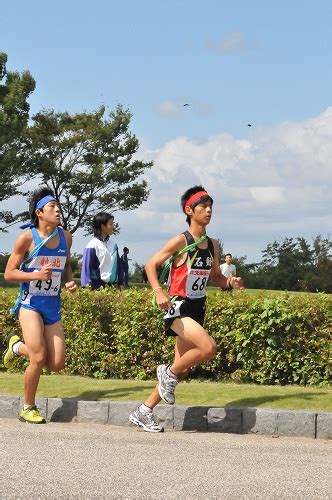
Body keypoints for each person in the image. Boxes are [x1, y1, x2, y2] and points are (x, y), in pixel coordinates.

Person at [129, 185, 242, 432]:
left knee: (183, 370)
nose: (209, 210)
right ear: (189, 210)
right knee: (208, 348)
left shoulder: (212, 244)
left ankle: (143, 411)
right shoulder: (181, 240)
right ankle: (165, 372)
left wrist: (230, 283)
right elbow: (151, 265)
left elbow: (215, 277)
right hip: (178, 306)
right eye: (203, 206)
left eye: (211, 206)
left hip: (198, 306)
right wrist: (159, 291)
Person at [2, 187, 77, 424]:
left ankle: (15, 347)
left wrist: (70, 281)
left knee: (56, 364)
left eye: (59, 206)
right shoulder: (26, 238)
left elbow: (66, 265)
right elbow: (9, 274)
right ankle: (28, 406)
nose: (58, 210)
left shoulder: (66, 236)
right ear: (39, 213)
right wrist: (35, 276)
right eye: (52, 207)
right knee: (38, 357)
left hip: (52, 306)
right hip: (30, 305)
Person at [80, 212, 124, 290]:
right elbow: (86, 268)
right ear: (103, 226)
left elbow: (118, 266)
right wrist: (87, 287)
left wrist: (121, 283)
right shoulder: (92, 245)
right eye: (111, 224)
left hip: (112, 287)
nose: (113, 226)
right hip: (97, 287)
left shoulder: (114, 245)